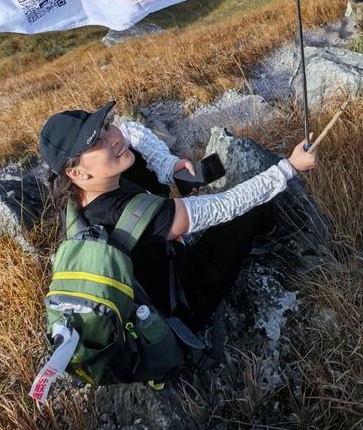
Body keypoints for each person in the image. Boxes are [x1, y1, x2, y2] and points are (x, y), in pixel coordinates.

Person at [41, 103, 317, 335]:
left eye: (105, 126)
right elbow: (227, 205)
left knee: (135, 160)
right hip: (184, 306)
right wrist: (289, 167)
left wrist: (168, 165)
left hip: (146, 292)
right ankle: (269, 239)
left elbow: (131, 131)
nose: (112, 137)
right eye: (96, 141)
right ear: (76, 172)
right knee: (254, 206)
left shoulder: (76, 198)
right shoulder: (136, 214)